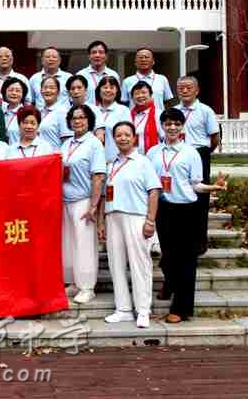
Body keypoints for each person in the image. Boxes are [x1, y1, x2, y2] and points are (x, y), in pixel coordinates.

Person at [146, 108, 227, 324]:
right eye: (168, 123)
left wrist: (213, 187)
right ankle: (170, 283)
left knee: (186, 260)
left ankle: (181, 308)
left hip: (186, 210)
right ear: (162, 126)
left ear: (182, 127)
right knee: (167, 256)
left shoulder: (191, 153)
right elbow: (148, 183)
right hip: (162, 209)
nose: (172, 127)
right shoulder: (153, 152)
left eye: (176, 124)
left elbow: (196, 185)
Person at [103, 121, 162, 329]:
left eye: (127, 134)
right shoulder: (111, 164)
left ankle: (143, 310)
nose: (123, 138)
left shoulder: (142, 162)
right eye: (118, 135)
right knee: (116, 264)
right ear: (114, 139)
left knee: (139, 264)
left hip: (136, 217)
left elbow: (154, 191)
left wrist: (150, 220)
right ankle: (123, 309)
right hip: (113, 217)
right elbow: (104, 195)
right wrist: (101, 222)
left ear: (134, 137)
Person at [61, 105, 106, 304]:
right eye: (74, 118)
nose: (77, 121)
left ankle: (87, 287)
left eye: (82, 117)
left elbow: (98, 176)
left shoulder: (94, 143)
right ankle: (73, 282)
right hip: (65, 200)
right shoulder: (67, 144)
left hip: (84, 200)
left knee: (85, 244)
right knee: (69, 243)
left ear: (89, 121)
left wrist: (93, 206)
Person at [174, 76, 220, 256]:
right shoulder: (174, 111)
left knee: (200, 198)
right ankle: (181, 239)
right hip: (178, 156)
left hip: (199, 154)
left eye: (188, 87)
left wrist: (204, 153)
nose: (185, 91)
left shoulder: (205, 111)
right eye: (181, 88)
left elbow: (214, 137)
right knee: (180, 195)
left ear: (197, 90)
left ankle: (199, 242)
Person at [121, 47, 174, 113]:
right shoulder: (127, 81)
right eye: (140, 57)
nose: (143, 59)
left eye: (147, 57)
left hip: (158, 118)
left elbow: (168, 102)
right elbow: (124, 104)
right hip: (135, 118)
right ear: (135, 62)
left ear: (153, 61)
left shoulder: (162, 79)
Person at [95, 76, 131, 162]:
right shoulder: (93, 110)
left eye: (112, 88)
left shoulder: (123, 110)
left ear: (117, 91)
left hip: (116, 160)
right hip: (94, 159)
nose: (108, 90)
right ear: (99, 90)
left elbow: (128, 136)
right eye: (105, 87)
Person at [77, 40, 120, 106]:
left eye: (101, 52)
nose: (97, 55)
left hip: (108, 111)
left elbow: (117, 98)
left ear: (106, 56)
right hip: (87, 111)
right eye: (94, 52)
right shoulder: (80, 75)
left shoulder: (114, 75)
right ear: (89, 56)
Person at [38, 76, 72, 151]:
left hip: (55, 155)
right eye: (45, 87)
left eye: (52, 88)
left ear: (58, 92)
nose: (48, 90)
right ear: (41, 91)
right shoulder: (39, 112)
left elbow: (67, 141)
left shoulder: (62, 112)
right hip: (40, 156)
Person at [130, 80, 163, 155]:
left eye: (143, 93)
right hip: (133, 157)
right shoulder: (128, 115)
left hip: (153, 156)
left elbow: (164, 138)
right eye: (136, 93)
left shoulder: (158, 114)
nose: (140, 96)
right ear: (132, 97)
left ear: (150, 95)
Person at [0, 77, 28, 145]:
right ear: (5, 92)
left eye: (17, 91)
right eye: (11, 90)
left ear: (23, 94)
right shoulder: (0, 111)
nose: (14, 93)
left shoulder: (27, 114)